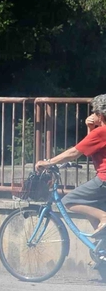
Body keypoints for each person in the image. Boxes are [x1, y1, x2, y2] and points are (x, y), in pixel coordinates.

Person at [35, 93, 106, 241]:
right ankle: (103, 250)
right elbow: (91, 146)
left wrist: (48, 162)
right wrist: (91, 127)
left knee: (69, 200)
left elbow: (75, 152)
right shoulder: (99, 132)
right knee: (91, 207)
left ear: (100, 114)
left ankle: (104, 218)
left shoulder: (102, 132)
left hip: (104, 179)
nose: (93, 115)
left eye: (95, 112)